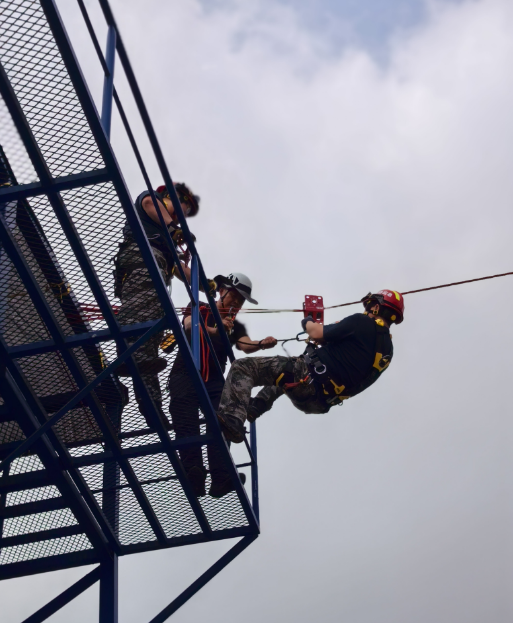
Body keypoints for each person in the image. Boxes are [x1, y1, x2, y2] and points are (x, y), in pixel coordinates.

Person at [216, 290, 405, 443]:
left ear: (376, 307)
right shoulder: (387, 351)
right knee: (284, 374)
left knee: (243, 367)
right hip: (320, 402)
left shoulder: (362, 322)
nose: (367, 310)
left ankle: (233, 417)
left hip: (308, 377)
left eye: (369, 306)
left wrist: (308, 321)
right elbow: (348, 362)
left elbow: (316, 333)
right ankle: (256, 406)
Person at [168, 273, 278, 498]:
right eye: (235, 296)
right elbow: (189, 325)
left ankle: (221, 476)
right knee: (185, 421)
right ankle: (193, 473)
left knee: (224, 422)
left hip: (215, 380)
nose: (237, 303)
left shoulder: (234, 325)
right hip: (185, 372)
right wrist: (215, 331)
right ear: (222, 290)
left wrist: (260, 344)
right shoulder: (199, 306)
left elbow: (244, 344)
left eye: (241, 300)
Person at [114, 183, 200, 430]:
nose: (181, 215)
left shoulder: (168, 238)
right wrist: (174, 229)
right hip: (142, 260)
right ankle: (126, 357)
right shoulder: (151, 200)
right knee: (137, 320)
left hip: (157, 272)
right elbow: (151, 205)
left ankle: (152, 405)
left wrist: (208, 284)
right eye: (183, 208)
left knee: (150, 344)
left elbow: (183, 271)